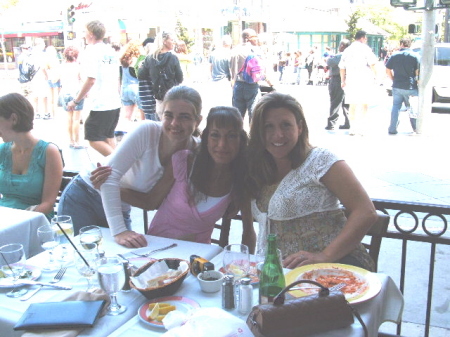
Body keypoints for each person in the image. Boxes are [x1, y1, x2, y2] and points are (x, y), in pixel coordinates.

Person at [246, 92, 377, 271]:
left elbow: (366, 211)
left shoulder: (320, 161)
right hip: (280, 273)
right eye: (268, 127)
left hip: (336, 266)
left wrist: (325, 256)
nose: (278, 135)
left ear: (299, 127)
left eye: (286, 125)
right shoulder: (257, 168)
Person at [58, 86, 202, 248]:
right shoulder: (147, 131)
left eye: (184, 117)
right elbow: (109, 179)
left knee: (127, 258)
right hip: (84, 196)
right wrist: (119, 231)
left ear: (198, 121)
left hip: (119, 205)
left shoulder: (195, 151)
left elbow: (158, 201)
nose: (175, 123)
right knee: (79, 258)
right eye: (169, 115)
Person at [0, 93, 63, 220]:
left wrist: (18, 221)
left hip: (34, 221)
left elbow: (48, 204)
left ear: (14, 119)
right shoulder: (3, 150)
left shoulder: (49, 152)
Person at [66, 20, 121, 156]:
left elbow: (91, 79)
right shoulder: (110, 51)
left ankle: (119, 167)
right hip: (114, 101)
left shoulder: (91, 51)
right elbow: (117, 77)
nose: (84, 35)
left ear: (91, 34)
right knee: (108, 136)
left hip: (100, 103)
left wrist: (76, 100)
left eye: (85, 32)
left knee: (93, 138)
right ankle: (118, 169)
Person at [339, 30, 378, 136]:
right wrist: (376, 76)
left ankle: (353, 128)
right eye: (365, 38)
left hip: (351, 80)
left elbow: (342, 67)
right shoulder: (366, 49)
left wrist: (343, 80)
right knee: (364, 104)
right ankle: (361, 128)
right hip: (364, 80)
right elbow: (373, 64)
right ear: (362, 38)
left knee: (353, 105)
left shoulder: (347, 50)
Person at [140, 31, 183, 118]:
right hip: (172, 96)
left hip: (158, 97)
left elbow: (141, 75)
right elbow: (180, 78)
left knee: (161, 123)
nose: (173, 42)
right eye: (171, 40)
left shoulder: (149, 58)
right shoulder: (173, 58)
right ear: (164, 41)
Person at [385, 38, 420, 135]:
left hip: (397, 85)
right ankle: (415, 128)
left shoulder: (394, 55)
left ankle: (392, 128)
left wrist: (393, 79)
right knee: (412, 108)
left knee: (396, 107)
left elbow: (387, 70)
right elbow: (418, 72)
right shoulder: (415, 56)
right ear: (410, 45)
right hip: (411, 86)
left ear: (401, 44)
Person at [229, 28, 262, 122]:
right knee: (254, 115)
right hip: (252, 85)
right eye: (255, 37)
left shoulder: (235, 50)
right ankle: (253, 135)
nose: (256, 39)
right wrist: (271, 84)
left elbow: (232, 70)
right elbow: (262, 70)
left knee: (237, 116)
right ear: (248, 38)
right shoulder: (256, 51)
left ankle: (237, 135)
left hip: (238, 85)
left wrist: (233, 84)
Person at [60, 46, 85, 149]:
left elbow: (55, 79)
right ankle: (77, 141)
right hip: (77, 93)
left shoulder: (62, 66)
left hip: (65, 92)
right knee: (76, 119)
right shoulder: (78, 67)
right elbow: (83, 79)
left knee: (68, 118)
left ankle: (70, 140)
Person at [325, 39, 350, 130]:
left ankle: (331, 123)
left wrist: (328, 58)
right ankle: (348, 122)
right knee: (346, 103)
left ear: (342, 46)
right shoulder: (350, 55)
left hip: (337, 79)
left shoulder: (341, 55)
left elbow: (330, 62)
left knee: (335, 102)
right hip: (346, 80)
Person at [119, 40, 143, 123]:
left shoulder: (123, 61)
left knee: (127, 116)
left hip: (125, 88)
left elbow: (119, 77)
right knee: (142, 116)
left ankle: (125, 133)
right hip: (136, 88)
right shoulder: (137, 60)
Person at [137, 38, 158, 121]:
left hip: (144, 98)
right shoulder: (154, 64)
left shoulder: (141, 63)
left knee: (148, 122)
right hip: (152, 99)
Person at [208, 35, 232, 106]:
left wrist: (211, 77)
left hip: (215, 80)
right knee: (226, 104)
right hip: (225, 81)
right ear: (230, 44)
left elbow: (210, 67)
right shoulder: (229, 54)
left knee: (216, 104)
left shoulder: (213, 53)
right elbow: (231, 69)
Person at [44, 45, 62, 119]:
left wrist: (46, 76)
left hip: (49, 78)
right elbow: (59, 70)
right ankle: (55, 114)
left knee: (50, 97)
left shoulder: (46, 60)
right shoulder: (55, 60)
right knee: (55, 98)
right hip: (56, 79)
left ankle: (52, 113)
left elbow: (44, 68)